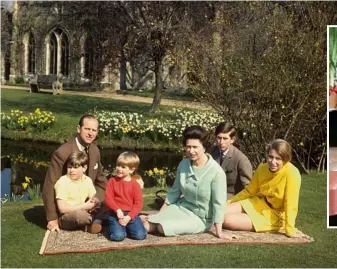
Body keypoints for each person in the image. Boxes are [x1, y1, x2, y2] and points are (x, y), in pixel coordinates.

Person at [142, 125, 235, 239]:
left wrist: (219, 232)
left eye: (195, 147)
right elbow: (174, 192)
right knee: (147, 224)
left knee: (162, 227)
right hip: (180, 208)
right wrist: (160, 214)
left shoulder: (217, 172)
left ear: (204, 147)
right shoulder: (184, 164)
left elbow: (218, 204)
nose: (191, 151)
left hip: (201, 219)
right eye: (188, 147)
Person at [223, 139, 306, 238]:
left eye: (278, 158)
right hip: (259, 203)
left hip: (275, 215)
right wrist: (230, 201)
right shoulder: (262, 168)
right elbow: (249, 191)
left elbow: (291, 203)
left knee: (227, 220)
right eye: (270, 157)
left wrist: (290, 230)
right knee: (219, 211)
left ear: (285, 159)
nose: (273, 162)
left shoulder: (292, 173)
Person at [42, 114, 107, 233]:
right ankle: (95, 220)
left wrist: (113, 194)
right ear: (79, 129)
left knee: (110, 200)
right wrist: (52, 218)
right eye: (87, 129)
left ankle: (96, 218)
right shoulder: (62, 153)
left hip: (87, 196)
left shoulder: (94, 150)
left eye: (94, 130)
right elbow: (49, 185)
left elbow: (101, 178)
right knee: (79, 216)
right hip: (69, 206)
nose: (90, 133)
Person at [105, 152, 147, 241]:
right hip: (116, 213)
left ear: (131, 170)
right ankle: (113, 227)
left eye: (123, 167)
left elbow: (138, 204)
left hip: (130, 214)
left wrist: (129, 217)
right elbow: (108, 198)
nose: (119, 169)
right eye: (118, 165)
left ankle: (131, 224)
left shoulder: (135, 185)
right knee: (118, 236)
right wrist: (117, 210)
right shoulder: (112, 181)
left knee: (140, 235)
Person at [54, 151, 100, 232]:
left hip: (85, 212)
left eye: (75, 167)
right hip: (67, 216)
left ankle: (90, 224)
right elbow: (62, 209)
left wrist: (95, 202)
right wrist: (85, 206)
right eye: (69, 167)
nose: (71, 170)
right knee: (80, 215)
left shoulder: (87, 180)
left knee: (105, 206)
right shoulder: (62, 182)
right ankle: (93, 223)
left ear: (84, 168)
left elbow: (93, 197)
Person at [209, 122, 252, 199]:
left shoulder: (241, 159)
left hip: (231, 197)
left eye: (225, 138)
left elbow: (248, 188)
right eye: (219, 138)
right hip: (210, 193)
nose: (221, 142)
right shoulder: (211, 152)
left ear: (232, 140)